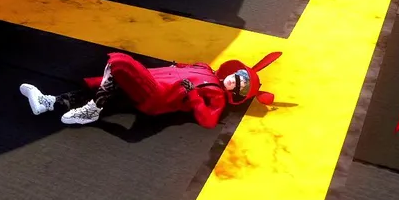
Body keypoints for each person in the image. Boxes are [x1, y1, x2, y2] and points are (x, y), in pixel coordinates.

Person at [20, 50, 280, 127]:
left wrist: (193, 95)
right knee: (110, 87)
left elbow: (209, 120)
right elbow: (183, 67)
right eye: (238, 76)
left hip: (157, 94)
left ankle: (92, 110)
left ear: (237, 93)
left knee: (119, 63)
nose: (234, 80)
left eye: (240, 85)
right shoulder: (207, 70)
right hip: (155, 80)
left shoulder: (216, 95)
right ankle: (48, 102)